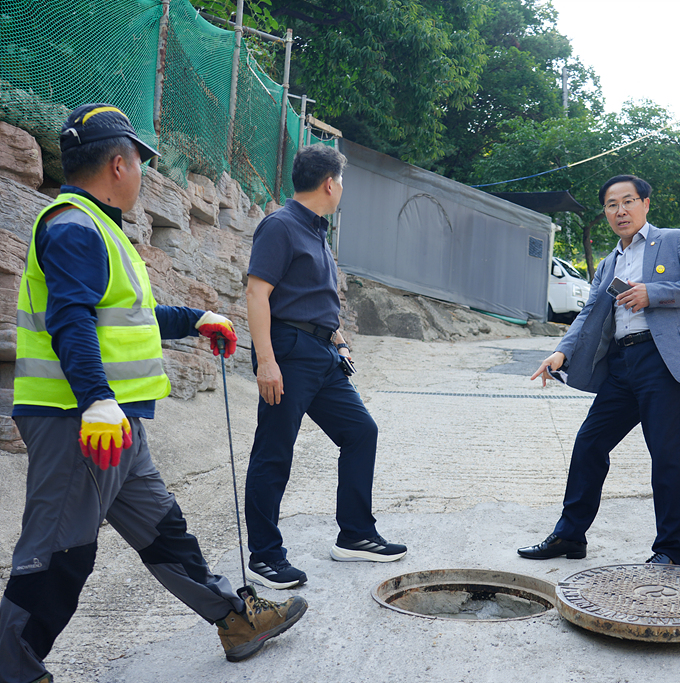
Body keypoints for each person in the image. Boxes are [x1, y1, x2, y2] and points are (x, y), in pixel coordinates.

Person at [0, 104, 307, 683]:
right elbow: (71, 320)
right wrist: (95, 398)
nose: (142, 173)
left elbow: (132, 317)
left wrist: (196, 318)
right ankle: (13, 667)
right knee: (60, 553)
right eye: (140, 162)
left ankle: (236, 619)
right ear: (118, 164)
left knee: (166, 531)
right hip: (80, 422)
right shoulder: (75, 226)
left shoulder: (96, 228)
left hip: (114, 425)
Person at [518, 174, 680, 567]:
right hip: (621, 364)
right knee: (589, 443)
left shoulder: (674, 240)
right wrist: (560, 353)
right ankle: (569, 536)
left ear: (645, 203)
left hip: (663, 363)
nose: (620, 210)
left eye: (628, 201)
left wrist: (654, 293)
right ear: (606, 213)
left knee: (667, 455)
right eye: (612, 205)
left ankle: (671, 550)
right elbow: (589, 314)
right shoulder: (609, 261)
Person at [243, 144, 405, 591]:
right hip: (288, 353)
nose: (342, 190)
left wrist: (336, 337)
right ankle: (265, 557)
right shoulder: (279, 226)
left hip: (323, 353)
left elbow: (309, 295)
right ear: (330, 183)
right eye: (343, 182)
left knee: (360, 432)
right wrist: (267, 362)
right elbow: (258, 294)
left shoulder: (315, 229)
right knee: (274, 451)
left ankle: (355, 534)